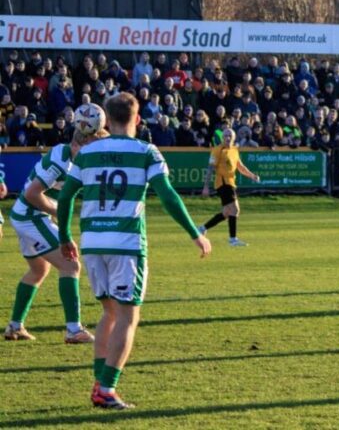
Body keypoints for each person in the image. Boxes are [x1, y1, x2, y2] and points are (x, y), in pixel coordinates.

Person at [57, 92, 211, 410]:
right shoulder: (146, 151)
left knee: (109, 313)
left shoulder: (86, 152)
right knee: (128, 316)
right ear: (137, 119)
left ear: (107, 120)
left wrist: (64, 237)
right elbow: (167, 195)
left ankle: (100, 384)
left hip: (93, 243)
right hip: (125, 244)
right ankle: (107, 388)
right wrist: (194, 232)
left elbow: (65, 197)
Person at [5, 128, 108, 342]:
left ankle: (14, 326)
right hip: (31, 217)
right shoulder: (63, 163)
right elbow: (32, 193)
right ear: (82, 143)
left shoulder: (64, 153)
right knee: (70, 265)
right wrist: (58, 211)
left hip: (25, 215)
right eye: (95, 148)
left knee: (38, 270)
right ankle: (73, 329)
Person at [198, 128, 260, 247]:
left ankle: (202, 228)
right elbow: (210, 168)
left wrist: (252, 175)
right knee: (235, 210)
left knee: (226, 212)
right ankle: (233, 240)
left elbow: (240, 167)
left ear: (234, 137)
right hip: (223, 183)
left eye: (230, 135)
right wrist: (205, 186)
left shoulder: (235, 150)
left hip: (231, 183)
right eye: (226, 135)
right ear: (222, 138)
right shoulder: (217, 150)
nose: (228, 137)